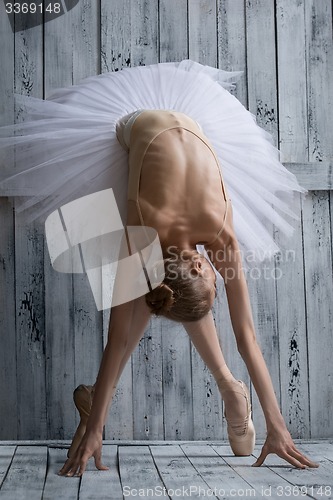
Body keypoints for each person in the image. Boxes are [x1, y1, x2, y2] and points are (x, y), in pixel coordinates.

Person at [0, 61, 318, 477]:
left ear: (201, 264)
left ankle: (99, 399)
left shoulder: (197, 231)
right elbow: (246, 338)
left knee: (140, 294)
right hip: (148, 129)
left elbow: (122, 340)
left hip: (151, 127)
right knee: (142, 292)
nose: (218, 274)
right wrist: (97, 426)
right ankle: (125, 397)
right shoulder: (193, 232)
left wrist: (279, 426)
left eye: (212, 279)